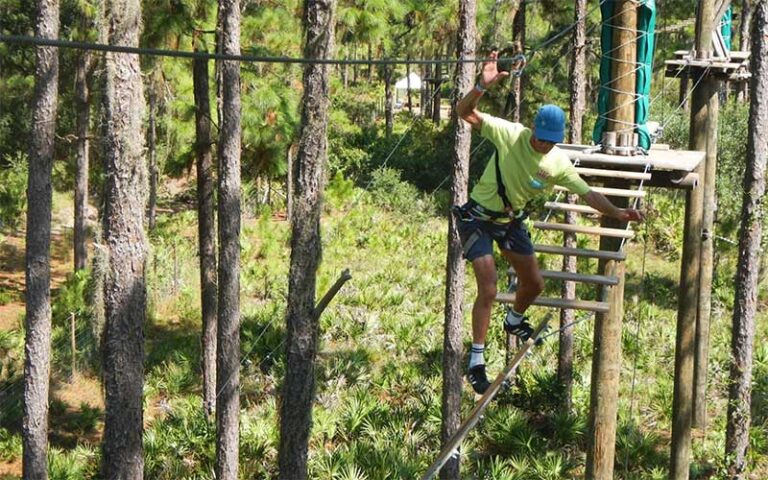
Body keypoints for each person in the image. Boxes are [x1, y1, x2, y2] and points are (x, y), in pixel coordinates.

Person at [455, 51, 645, 394]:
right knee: (489, 287)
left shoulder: (557, 162)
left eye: (550, 141)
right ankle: (476, 361)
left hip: (511, 222)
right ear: (533, 129)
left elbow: (588, 194)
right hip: (478, 219)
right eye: (541, 138)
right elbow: (463, 112)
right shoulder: (510, 134)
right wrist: (481, 88)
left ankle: (514, 321)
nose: (543, 145)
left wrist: (617, 213)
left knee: (535, 285)